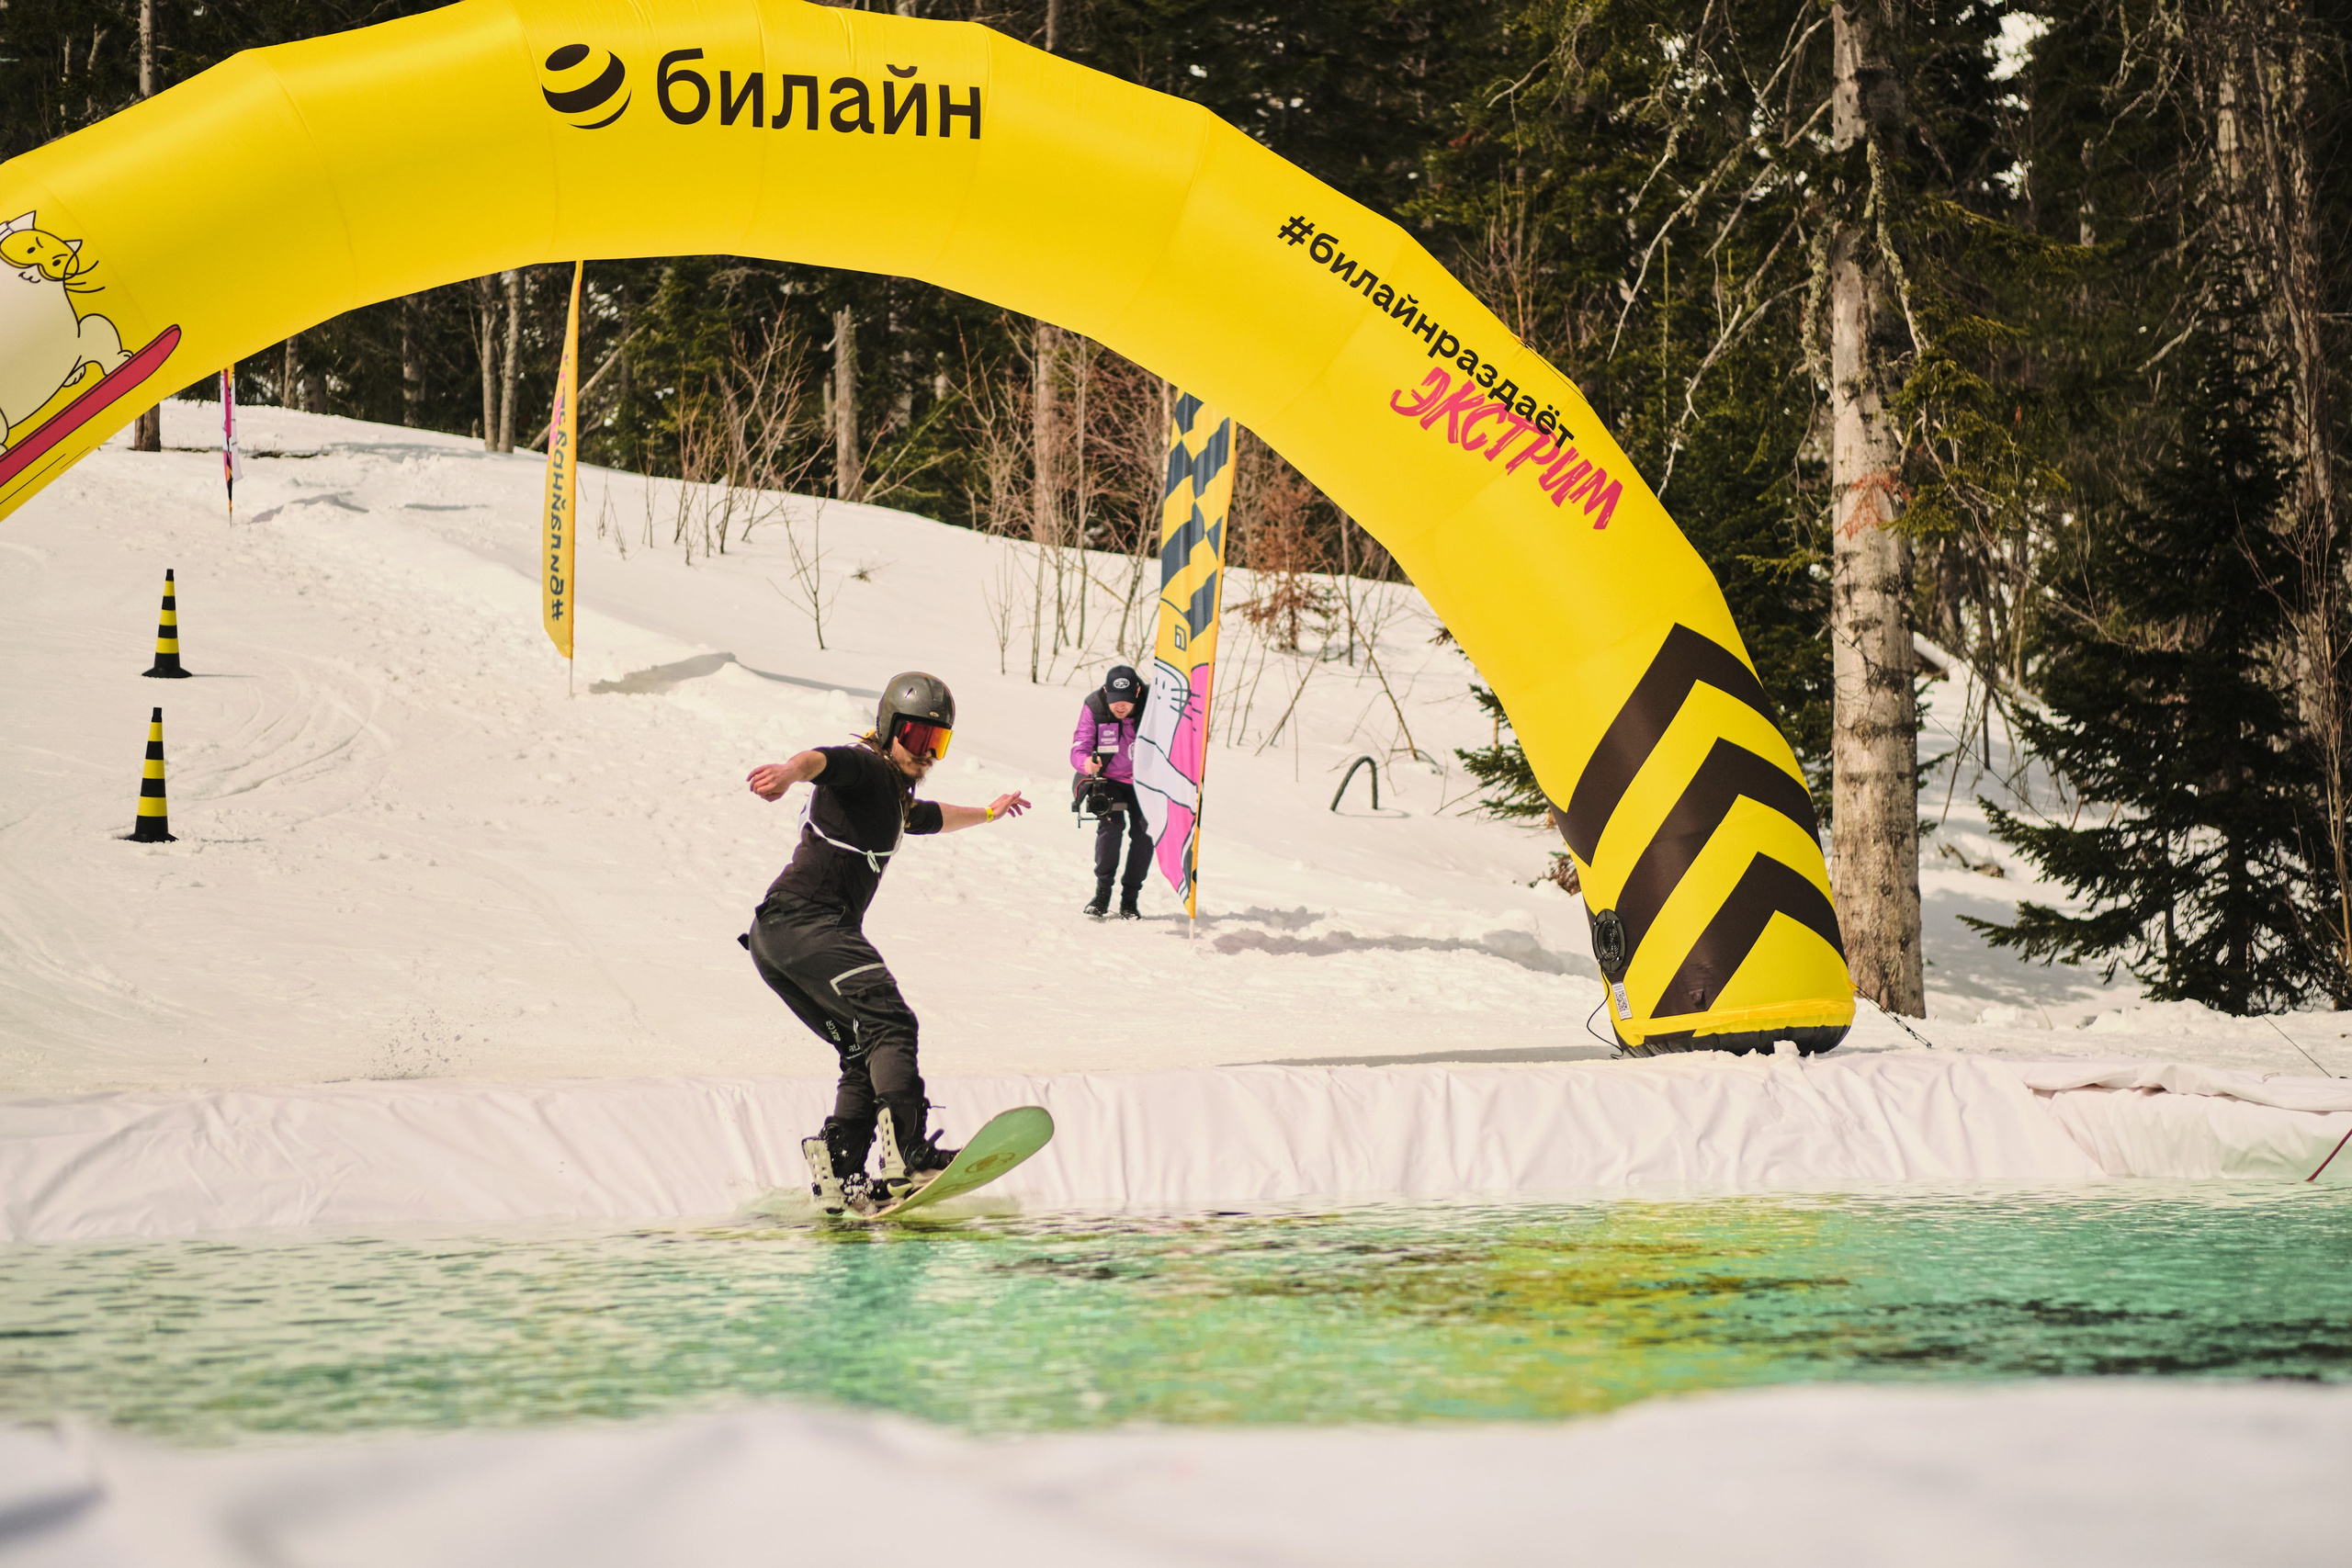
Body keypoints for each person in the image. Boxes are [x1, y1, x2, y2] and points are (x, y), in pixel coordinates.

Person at [742, 671, 1030, 1214]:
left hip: (776, 938)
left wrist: (990, 812)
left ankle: (842, 1172)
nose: (926, 752)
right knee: (892, 1023)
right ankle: (910, 1151)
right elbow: (820, 760)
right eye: (917, 737)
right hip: (808, 922)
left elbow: (932, 817)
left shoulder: (894, 797)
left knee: (861, 1047)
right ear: (887, 727)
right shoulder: (865, 766)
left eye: (937, 743)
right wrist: (787, 772)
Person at [1070, 663, 1153, 919]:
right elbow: (1080, 744)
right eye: (1115, 701)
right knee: (1111, 826)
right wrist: (1086, 763)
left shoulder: (1153, 704)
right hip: (1108, 779)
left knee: (1145, 832)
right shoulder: (1094, 706)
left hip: (1145, 781)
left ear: (1137, 693)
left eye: (1126, 702)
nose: (1120, 707)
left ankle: (1130, 897)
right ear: (1106, 692)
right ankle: (1103, 892)